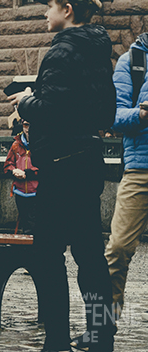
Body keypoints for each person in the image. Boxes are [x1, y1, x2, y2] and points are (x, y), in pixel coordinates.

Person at [8, 0, 117, 352]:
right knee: (90, 255)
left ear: (67, 10)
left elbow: (50, 110)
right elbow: (107, 111)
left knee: (48, 254)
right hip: (87, 160)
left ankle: (56, 339)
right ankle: (103, 336)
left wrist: (25, 100)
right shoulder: (101, 48)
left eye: (49, 4)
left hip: (59, 164)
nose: (44, 11)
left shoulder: (61, 49)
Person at [105, 32, 148, 322]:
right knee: (117, 250)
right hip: (140, 169)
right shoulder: (133, 61)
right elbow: (113, 116)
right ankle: (100, 329)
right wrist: (142, 115)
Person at [3, 120, 38, 235]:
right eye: (25, 125)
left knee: (35, 222)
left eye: (30, 125)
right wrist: (14, 171)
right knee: (24, 221)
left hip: (36, 190)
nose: (27, 129)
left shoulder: (40, 143)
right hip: (20, 190)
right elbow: (7, 165)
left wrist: (27, 173)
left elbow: (47, 167)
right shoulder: (16, 144)